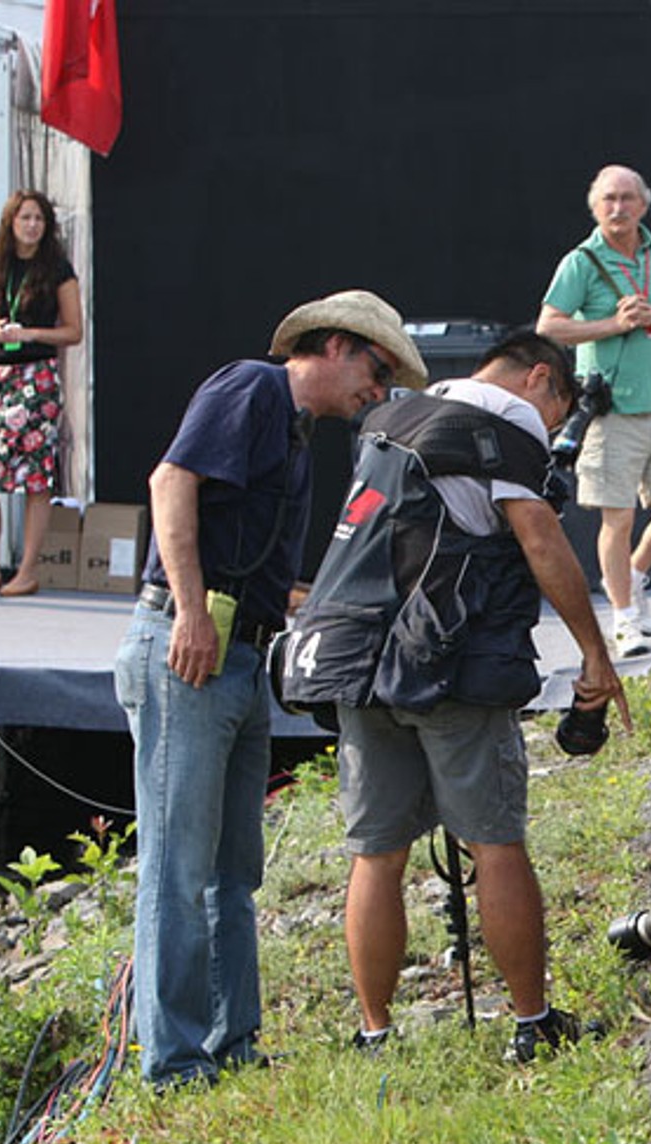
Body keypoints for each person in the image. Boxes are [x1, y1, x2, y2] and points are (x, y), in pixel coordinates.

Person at [115, 290, 426, 1089]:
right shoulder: (251, 387)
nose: (378, 390)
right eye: (375, 368)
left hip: (240, 657)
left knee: (232, 872)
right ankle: (174, 1062)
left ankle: (231, 1043)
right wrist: (189, 612)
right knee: (178, 869)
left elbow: (258, 565)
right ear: (329, 346)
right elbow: (169, 482)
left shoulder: (293, 432)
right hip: (191, 650)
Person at [337, 330, 631, 1063]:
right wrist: (596, 654)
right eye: (558, 415)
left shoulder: (391, 418)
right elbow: (539, 540)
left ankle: (375, 1034)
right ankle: (532, 1025)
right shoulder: (503, 429)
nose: (552, 432)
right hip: (448, 664)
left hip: (354, 657)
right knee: (496, 843)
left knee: (377, 853)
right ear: (540, 380)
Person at [537, 164, 651, 658]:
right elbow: (549, 326)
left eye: (628, 198)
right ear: (595, 206)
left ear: (644, 205)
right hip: (610, 411)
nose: (618, 208)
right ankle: (625, 618)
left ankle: (631, 576)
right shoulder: (582, 262)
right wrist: (613, 324)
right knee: (618, 518)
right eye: (609, 199)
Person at [0, 190, 82, 596]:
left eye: (39, 219)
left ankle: (28, 569)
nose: (32, 225)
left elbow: (74, 330)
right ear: (10, 223)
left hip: (38, 375)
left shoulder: (58, 270)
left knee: (35, 477)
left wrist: (32, 333)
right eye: (25, 218)